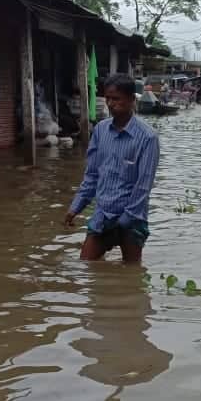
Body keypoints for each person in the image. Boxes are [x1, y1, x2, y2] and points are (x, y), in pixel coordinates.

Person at [63, 75, 160, 264]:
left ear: (132, 100)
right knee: (86, 263)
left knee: (131, 275)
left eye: (116, 99)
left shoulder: (147, 138)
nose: (110, 103)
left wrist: (126, 220)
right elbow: (92, 175)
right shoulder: (100, 130)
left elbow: (143, 186)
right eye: (107, 98)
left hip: (132, 218)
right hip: (103, 214)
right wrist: (75, 207)